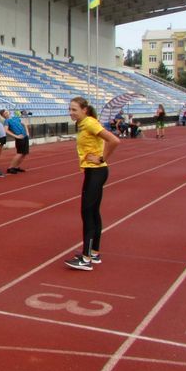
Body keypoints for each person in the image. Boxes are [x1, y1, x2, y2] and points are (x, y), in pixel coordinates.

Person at [65, 97, 120, 271]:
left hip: (96, 171)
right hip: (93, 172)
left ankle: (86, 258)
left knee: (87, 213)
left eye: (74, 109)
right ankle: (94, 252)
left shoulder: (89, 123)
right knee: (93, 212)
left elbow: (114, 140)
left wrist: (102, 158)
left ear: (84, 110)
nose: (71, 112)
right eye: (70, 109)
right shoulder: (83, 124)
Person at [4, 110, 30, 174]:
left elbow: (24, 123)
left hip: (25, 136)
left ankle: (16, 167)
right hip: (19, 138)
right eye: (5, 113)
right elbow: (6, 130)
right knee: (20, 153)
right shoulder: (6, 121)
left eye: (7, 112)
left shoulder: (15, 118)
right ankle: (10, 168)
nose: (7, 113)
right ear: (3, 115)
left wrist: (27, 132)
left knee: (24, 153)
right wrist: (16, 136)